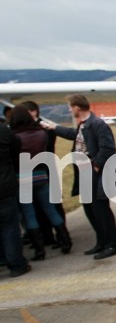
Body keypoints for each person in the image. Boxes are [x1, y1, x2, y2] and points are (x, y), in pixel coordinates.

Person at [41, 95, 116, 260]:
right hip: (85, 172)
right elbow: (74, 135)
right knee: (90, 209)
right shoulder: (84, 125)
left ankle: (113, 244)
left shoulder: (97, 124)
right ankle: (101, 242)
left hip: (96, 173)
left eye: (70, 106)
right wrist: (54, 128)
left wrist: (96, 166)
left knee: (101, 210)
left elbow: (108, 148)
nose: (69, 110)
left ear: (77, 107)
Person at [8, 105, 72, 258]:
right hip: (41, 175)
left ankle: (39, 249)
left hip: (22, 178)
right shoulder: (41, 133)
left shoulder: (14, 137)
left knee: (29, 214)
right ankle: (65, 240)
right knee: (50, 209)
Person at [20, 100, 67, 249]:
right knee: (39, 206)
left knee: (54, 204)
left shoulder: (45, 127)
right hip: (37, 171)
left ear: (34, 112)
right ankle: (47, 237)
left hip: (47, 168)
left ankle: (62, 237)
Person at [0, 119, 31, 277]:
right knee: (10, 228)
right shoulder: (4, 131)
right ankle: (17, 264)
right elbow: (15, 151)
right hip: (5, 188)